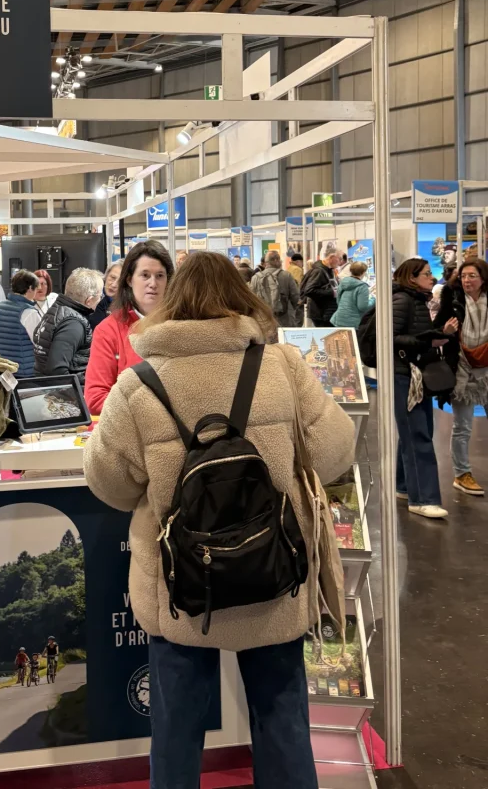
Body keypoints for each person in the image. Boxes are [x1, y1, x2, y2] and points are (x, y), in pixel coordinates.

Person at [85, 252, 355, 789]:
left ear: (174, 297)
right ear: (241, 294)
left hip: (181, 585)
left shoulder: (139, 384)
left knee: (177, 731)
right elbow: (334, 451)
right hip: (274, 570)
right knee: (282, 721)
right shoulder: (281, 366)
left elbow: (107, 482)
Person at [392, 258, 459, 520]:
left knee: (416, 432)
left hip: (413, 374)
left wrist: (437, 334)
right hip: (405, 375)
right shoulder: (404, 301)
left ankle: (406, 487)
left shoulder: (414, 300)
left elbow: (409, 333)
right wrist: (427, 340)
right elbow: (391, 337)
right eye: (427, 274)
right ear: (412, 277)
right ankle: (423, 498)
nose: (432, 278)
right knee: (418, 434)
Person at [85, 240, 174, 416]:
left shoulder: (183, 324)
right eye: (145, 275)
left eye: (160, 275)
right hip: (133, 434)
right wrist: (152, 410)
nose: (153, 283)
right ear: (129, 280)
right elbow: (95, 398)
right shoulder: (109, 330)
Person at [434, 259, 488, 496]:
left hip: (487, 369)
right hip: (462, 369)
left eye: (472, 276)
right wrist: (445, 332)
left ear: (483, 278)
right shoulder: (453, 298)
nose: (467, 280)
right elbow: (437, 330)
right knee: (463, 425)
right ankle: (462, 473)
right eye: (464, 276)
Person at [34, 268, 103, 383]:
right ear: (89, 300)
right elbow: (57, 371)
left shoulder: (57, 310)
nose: (101, 299)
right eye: (100, 296)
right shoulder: (73, 324)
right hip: (63, 396)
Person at [0, 269, 41, 378]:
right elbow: (41, 343)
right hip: (25, 371)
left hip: (3, 371)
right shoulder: (28, 312)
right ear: (29, 288)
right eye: (36, 288)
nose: (37, 292)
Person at [250, 250, 300, 327]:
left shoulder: (255, 278)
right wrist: (291, 308)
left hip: (263, 319)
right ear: (277, 260)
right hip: (284, 318)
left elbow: (252, 298)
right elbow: (295, 296)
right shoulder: (286, 276)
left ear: (266, 263)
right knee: (284, 338)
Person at [299, 247, 341, 326]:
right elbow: (309, 290)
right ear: (331, 257)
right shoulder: (319, 271)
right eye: (339, 258)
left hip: (326, 312)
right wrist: (332, 292)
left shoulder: (329, 270)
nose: (340, 261)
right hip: (321, 313)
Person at [331, 262, 373, 329]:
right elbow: (362, 307)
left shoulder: (343, 282)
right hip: (353, 322)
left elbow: (338, 300)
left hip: (339, 319)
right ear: (363, 272)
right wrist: (373, 300)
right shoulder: (362, 287)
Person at [90, 262, 122, 330]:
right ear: (106, 276)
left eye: (120, 282)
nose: (114, 285)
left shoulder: (128, 307)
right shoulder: (92, 296)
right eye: (112, 277)